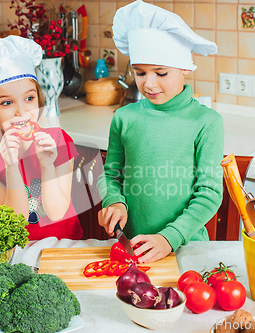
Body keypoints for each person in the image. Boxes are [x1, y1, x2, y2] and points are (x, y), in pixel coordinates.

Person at [97, 0, 224, 263]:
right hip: (133, 248)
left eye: (161, 72)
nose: (149, 84)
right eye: (140, 73)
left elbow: (210, 193)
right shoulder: (124, 117)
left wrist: (170, 237)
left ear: (185, 68)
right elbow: (111, 174)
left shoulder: (206, 122)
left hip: (187, 248)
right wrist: (114, 201)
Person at [0, 35, 82, 240]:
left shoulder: (58, 141)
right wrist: (11, 167)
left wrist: (47, 166)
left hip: (64, 247)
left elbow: (57, 212)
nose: (21, 111)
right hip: (17, 250)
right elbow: (16, 220)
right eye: (7, 103)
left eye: (29, 98)